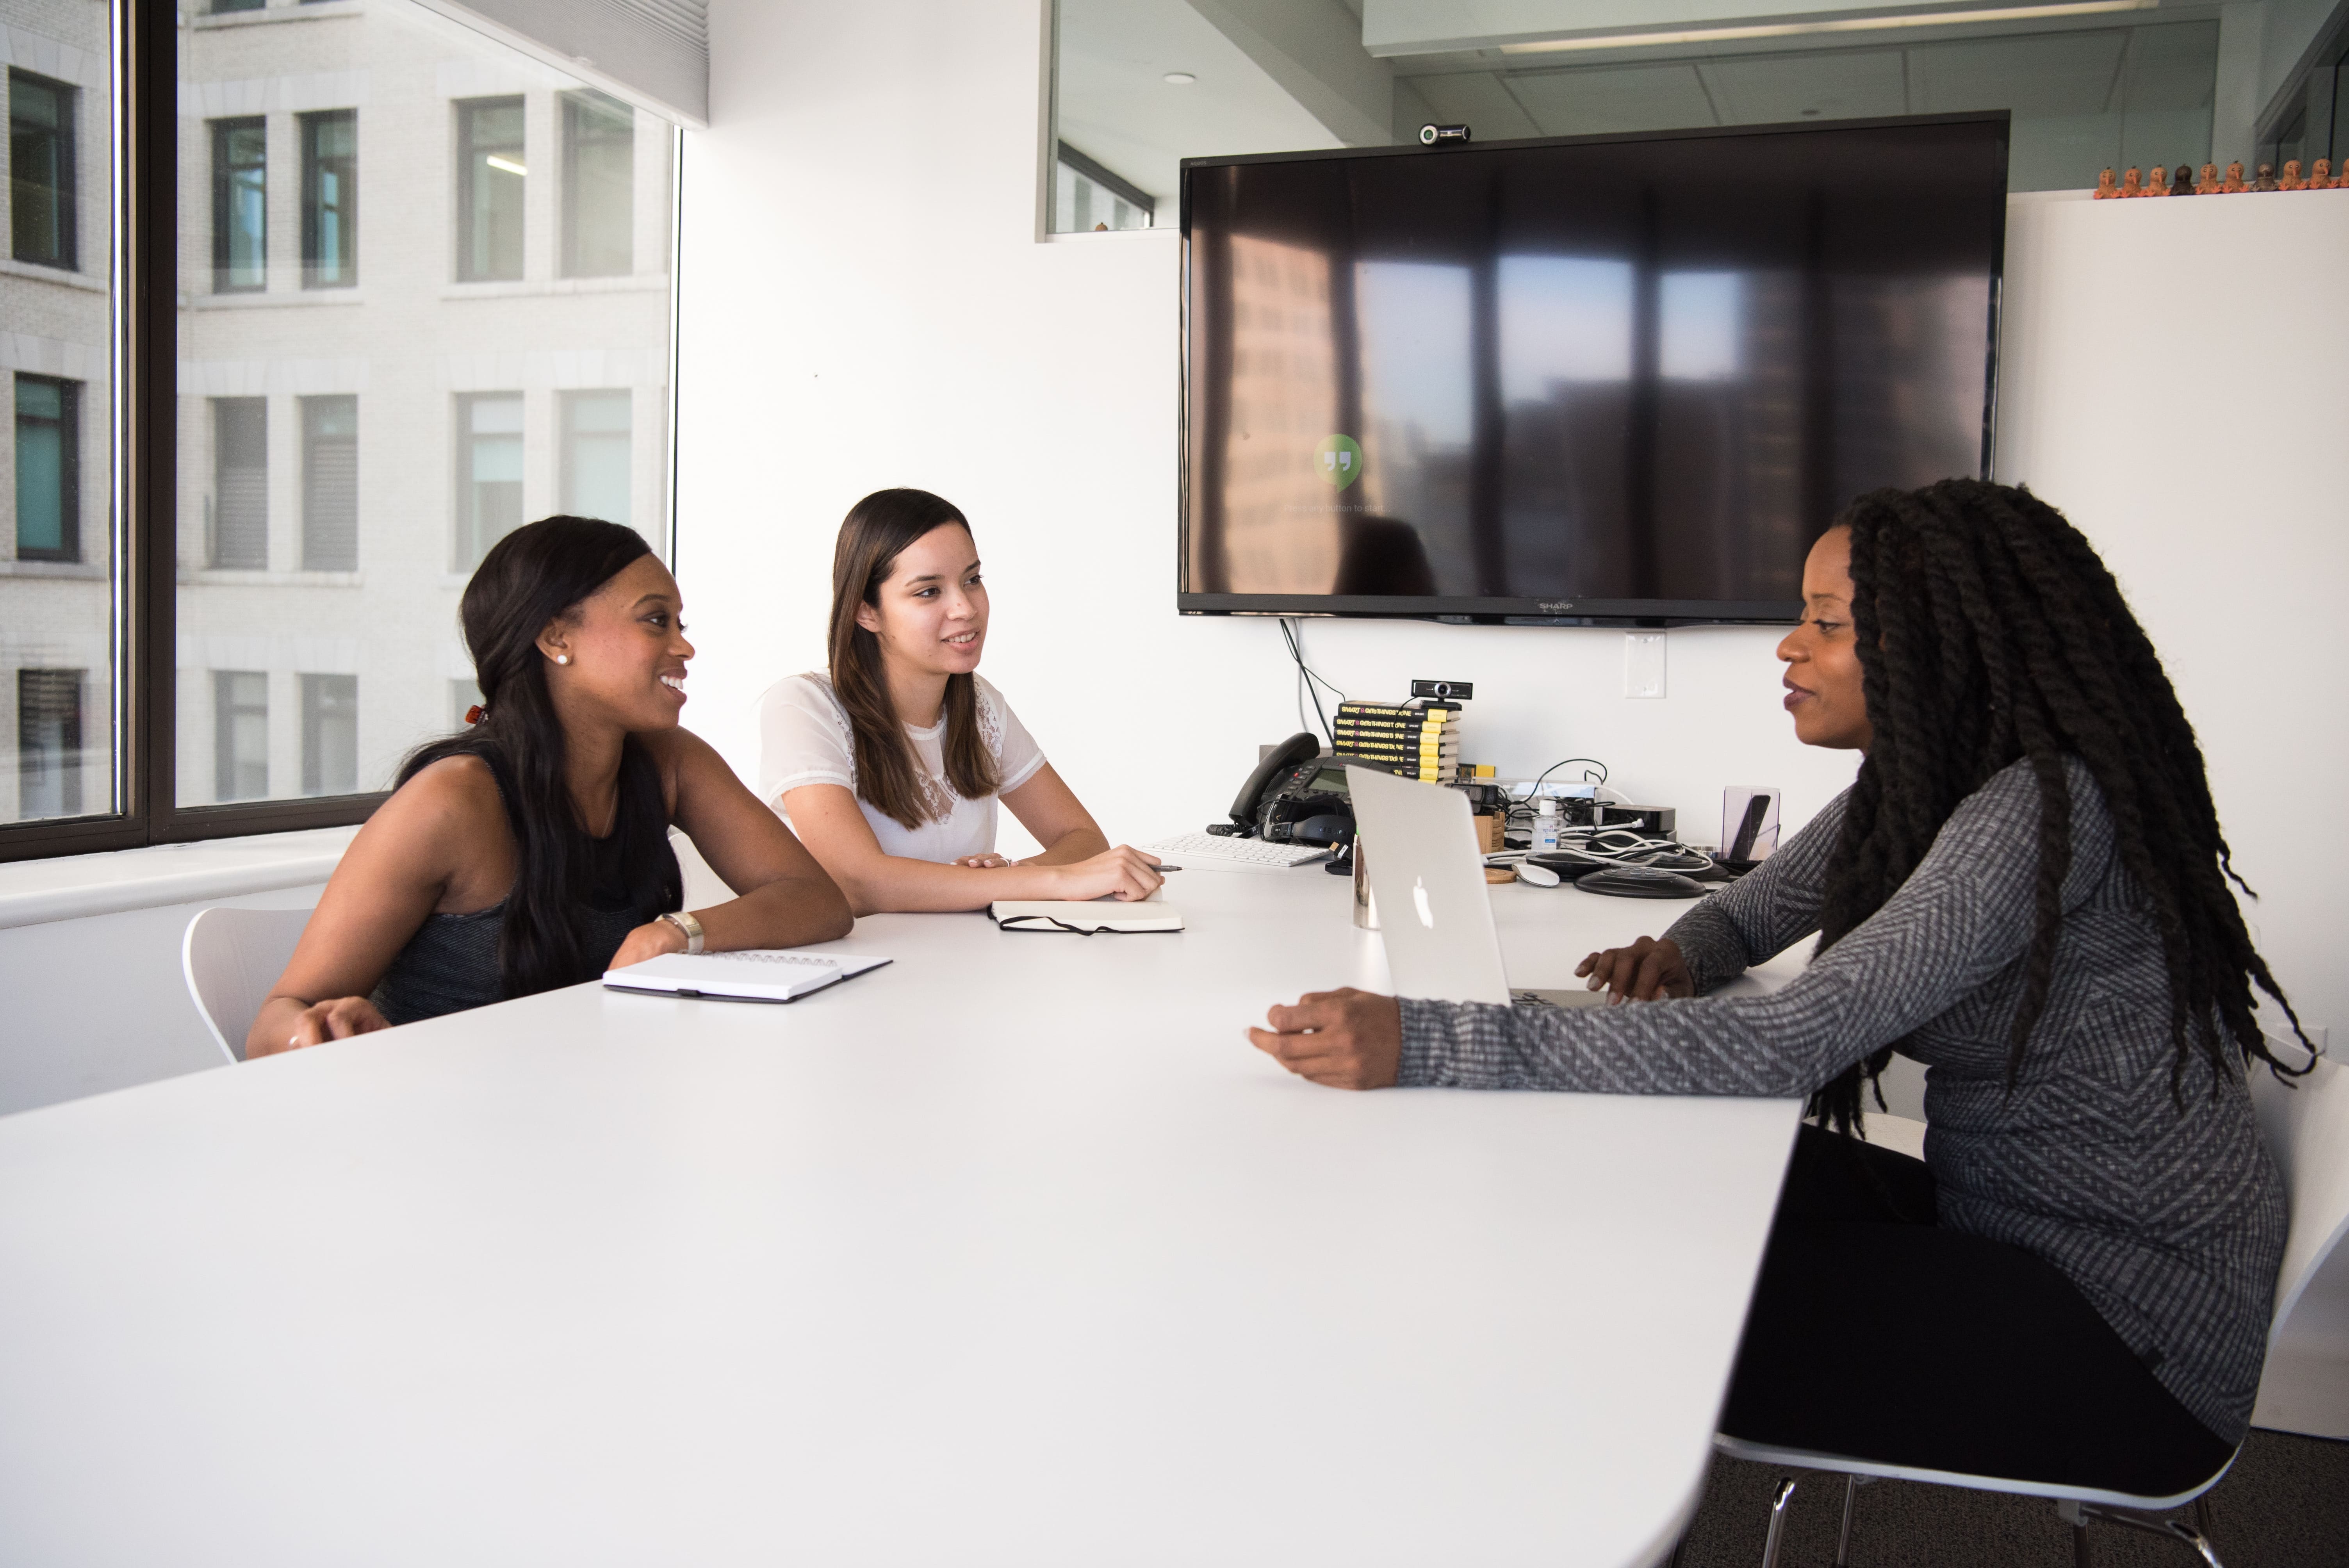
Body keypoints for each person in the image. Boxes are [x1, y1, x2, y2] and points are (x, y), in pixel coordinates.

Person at [1248, 479, 2307, 1496]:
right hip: (2012, 1226)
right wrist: (1687, 953)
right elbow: (1754, 909)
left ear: (1937, 642)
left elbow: (1789, 1042)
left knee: (1618, 1299)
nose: (1790, 646)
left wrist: (1431, 1042)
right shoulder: (1924, 790)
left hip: (2124, 1334)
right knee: (1655, 1184)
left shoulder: (2033, 812)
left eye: (1829, 623)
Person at [249, 517, 852, 1057]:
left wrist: (677, 932)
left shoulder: (670, 761)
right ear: (556, 638)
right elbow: (275, 1024)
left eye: (679, 622)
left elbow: (816, 900)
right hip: (446, 1127)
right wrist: (318, 1032)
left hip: (587, 1103)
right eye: (654, 620)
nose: (684, 645)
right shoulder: (453, 802)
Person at [758, 487, 1162, 914]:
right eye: (929, 591)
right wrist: (1032, 881)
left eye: (972, 579)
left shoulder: (980, 703)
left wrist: (1006, 877)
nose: (965, 607)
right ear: (866, 612)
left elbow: (1082, 837)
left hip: (964, 964)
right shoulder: (803, 706)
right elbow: (859, 883)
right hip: (858, 971)